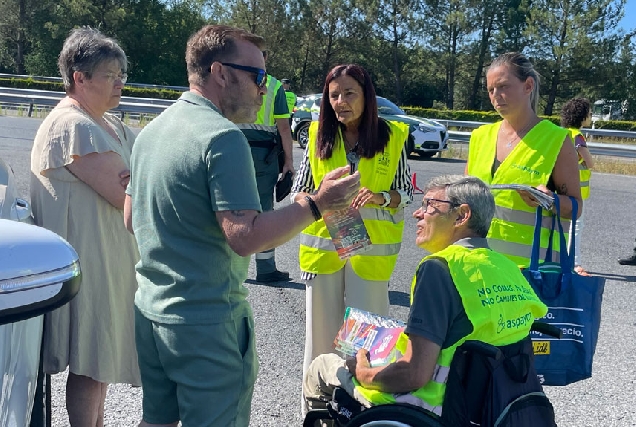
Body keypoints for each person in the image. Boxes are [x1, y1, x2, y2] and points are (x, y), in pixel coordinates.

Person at [124, 25, 360, 427]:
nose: (265, 89)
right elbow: (245, 237)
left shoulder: (153, 131)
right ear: (220, 72)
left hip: (152, 313)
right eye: (259, 77)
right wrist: (317, 203)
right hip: (207, 324)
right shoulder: (222, 138)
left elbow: (132, 218)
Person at [303, 175, 548, 416]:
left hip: (433, 406)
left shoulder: (440, 268)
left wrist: (363, 373)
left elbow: (413, 374)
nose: (417, 214)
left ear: (462, 216)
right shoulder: (508, 268)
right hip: (491, 404)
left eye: (429, 205)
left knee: (323, 366)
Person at [30, 27, 139, 426]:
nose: (120, 83)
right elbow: (127, 194)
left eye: (122, 74)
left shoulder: (104, 123)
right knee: (92, 362)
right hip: (88, 263)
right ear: (80, 77)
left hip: (107, 260)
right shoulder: (72, 126)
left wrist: (136, 179)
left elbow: (136, 182)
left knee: (101, 363)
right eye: (111, 75)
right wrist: (136, 181)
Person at [291, 63, 413, 402]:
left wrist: (380, 197)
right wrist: (317, 197)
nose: (340, 101)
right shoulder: (317, 135)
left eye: (349, 94)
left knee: (369, 338)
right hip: (325, 250)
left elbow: (406, 193)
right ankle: (316, 405)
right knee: (320, 336)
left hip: (370, 255)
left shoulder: (392, 136)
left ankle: (366, 406)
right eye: (334, 96)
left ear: (367, 97)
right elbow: (298, 191)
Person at [465, 52, 582, 268]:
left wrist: (550, 201)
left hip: (532, 273)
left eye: (503, 86)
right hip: (480, 265)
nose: (495, 96)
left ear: (528, 86)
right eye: (491, 90)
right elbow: (464, 199)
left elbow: (576, 207)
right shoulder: (479, 137)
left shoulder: (556, 140)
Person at [237, 53, 295, 283]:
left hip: (231, 148)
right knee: (263, 210)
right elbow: (283, 128)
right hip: (264, 156)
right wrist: (288, 162)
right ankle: (266, 268)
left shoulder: (231, 79)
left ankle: (231, 268)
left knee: (228, 207)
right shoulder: (273, 85)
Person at [560, 98, 594, 275]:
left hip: (561, 186)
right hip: (577, 189)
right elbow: (589, 162)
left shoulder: (561, 133)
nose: (590, 117)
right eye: (589, 114)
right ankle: (575, 262)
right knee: (576, 227)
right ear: (581, 117)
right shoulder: (577, 136)